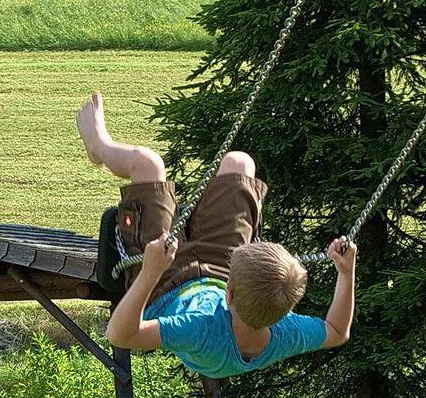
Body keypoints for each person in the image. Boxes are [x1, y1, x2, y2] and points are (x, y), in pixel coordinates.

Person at [76, 91, 356, 376]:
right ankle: (203, 224)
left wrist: (149, 272)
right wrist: (346, 272)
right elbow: (337, 331)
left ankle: (99, 146)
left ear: (229, 295)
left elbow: (120, 335)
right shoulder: (284, 332)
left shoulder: (201, 330)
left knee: (148, 163)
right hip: (218, 273)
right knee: (240, 163)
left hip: (164, 285)